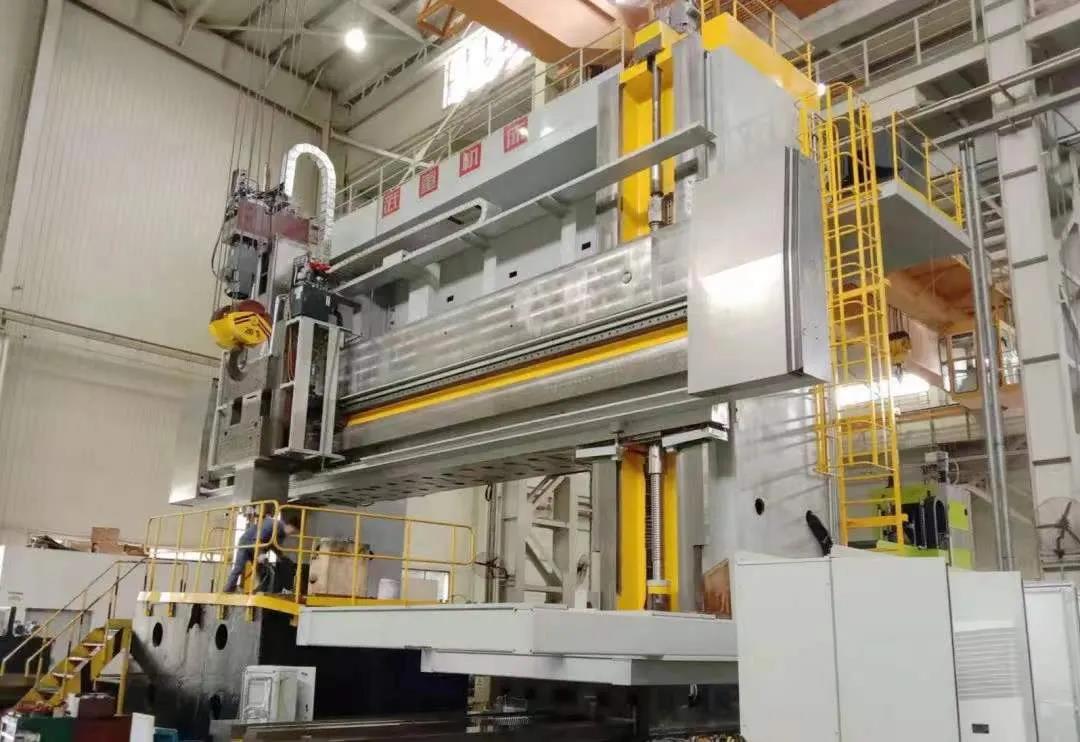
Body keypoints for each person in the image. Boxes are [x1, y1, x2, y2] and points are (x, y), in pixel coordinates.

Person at [224, 509, 301, 592]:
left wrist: (282, 557)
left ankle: (262, 590)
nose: (292, 534)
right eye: (293, 531)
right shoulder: (272, 524)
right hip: (247, 543)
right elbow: (257, 540)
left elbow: (275, 546)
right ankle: (228, 589)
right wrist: (260, 554)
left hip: (259, 548)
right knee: (239, 568)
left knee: (264, 571)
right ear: (289, 526)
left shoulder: (282, 534)